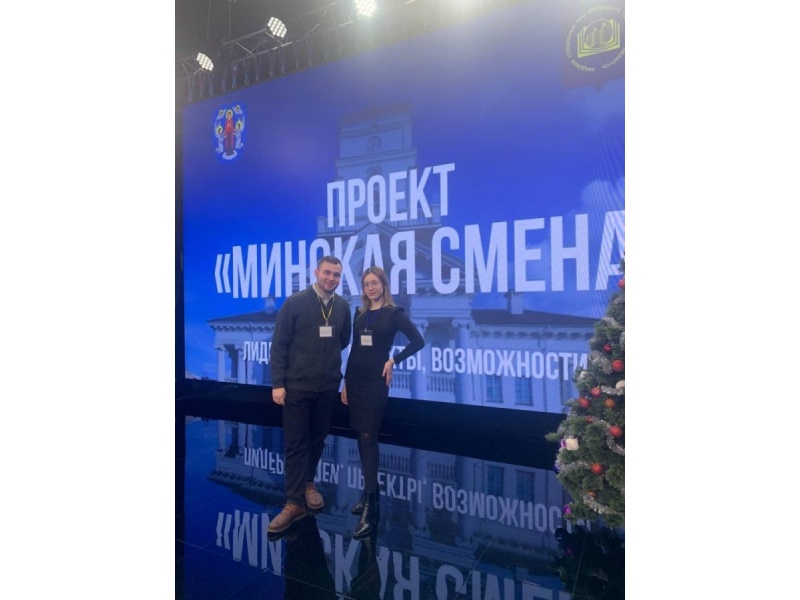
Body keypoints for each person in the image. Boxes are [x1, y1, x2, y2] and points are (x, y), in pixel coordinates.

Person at [268, 255, 352, 534]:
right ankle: (293, 503)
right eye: (327, 273)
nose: (331, 278)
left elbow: (343, 340)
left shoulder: (342, 306)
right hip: (297, 387)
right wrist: (278, 383)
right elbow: (279, 345)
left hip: (327, 388)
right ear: (316, 272)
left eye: (336, 275)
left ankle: (308, 484)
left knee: (317, 439)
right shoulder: (295, 302)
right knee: (295, 443)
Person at [341, 266, 425, 539]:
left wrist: (393, 360)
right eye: (366, 284)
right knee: (360, 434)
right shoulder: (360, 314)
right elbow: (354, 348)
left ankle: (372, 508)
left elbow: (418, 341)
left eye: (374, 283)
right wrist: (345, 382)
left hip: (376, 381)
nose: (370, 288)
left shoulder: (394, 313)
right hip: (355, 378)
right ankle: (368, 495)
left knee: (369, 435)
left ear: (383, 285)